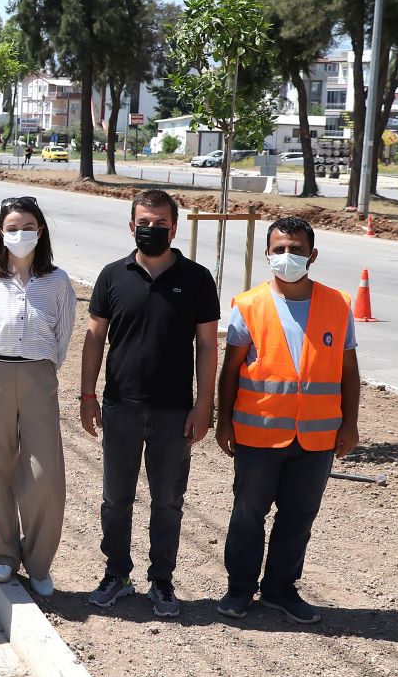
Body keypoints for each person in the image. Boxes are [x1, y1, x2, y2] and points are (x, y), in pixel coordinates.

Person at [80, 189, 220, 618]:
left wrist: (204, 406)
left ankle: (162, 580)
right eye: (145, 222)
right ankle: (116, 574)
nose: (152, 230)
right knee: (115, 500)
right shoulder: (111, 275)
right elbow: (94, 338)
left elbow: (208, 346)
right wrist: (87, 394)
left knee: (167, 502)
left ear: (174, 228)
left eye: (161, 224)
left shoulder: (197, 278)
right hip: (120, 406)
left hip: (174, 412)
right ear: (131, 225)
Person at [214, 217, 360, 626]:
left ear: (312, 255)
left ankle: (280, 590)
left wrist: (350, 425)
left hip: (317, 438)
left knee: (298, 518)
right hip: (257, 433)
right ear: (267, 254)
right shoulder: (249, 305)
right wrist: (223, 422)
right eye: (279, 249)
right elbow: (231, 372)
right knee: (248, 514)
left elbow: (349, 371)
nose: (287, 256)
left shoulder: (338, 304)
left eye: (296, 249)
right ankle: (240, 589)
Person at [0, 196, 77, 597]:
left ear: (41, 230)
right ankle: (1, 554)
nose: (20, 235)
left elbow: (63, 338)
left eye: (27, 227)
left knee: (44, 473)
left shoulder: (58, 281)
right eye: (12, 228)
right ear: (0, 232)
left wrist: (39, 368)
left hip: (38, 377)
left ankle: (39, 561)